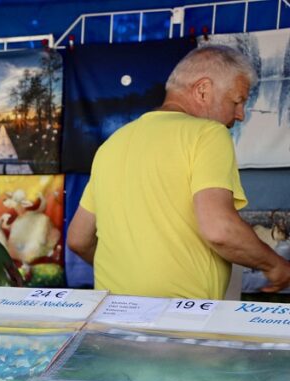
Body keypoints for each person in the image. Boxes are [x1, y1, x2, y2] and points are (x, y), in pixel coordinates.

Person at [67, 45, 290, 299]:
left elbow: (78, 238)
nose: (239, 115)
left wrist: (130, 275)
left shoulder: (112, 144)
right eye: (237, 101)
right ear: (203, 90)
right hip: (177, 322)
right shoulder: (208, 134)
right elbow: (220, 230)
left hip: (111, 316)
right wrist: (275, 265)